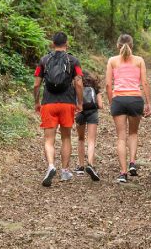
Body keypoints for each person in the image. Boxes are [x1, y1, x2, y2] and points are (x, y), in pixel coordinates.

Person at [33, 32, 83, 187]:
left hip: (48, 103)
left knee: (49, 139)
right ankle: (65, 170)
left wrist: (36, 102)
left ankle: (50, 166)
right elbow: (79, 83)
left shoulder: (44, 60)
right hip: (67, 103)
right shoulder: (73, 60)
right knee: (66, 137)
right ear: (66, 44)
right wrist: (80, 102)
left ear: (52, 44)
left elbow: (36, 84)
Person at [105, 34, 151, 183]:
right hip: (135, 100)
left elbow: (107, 85)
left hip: (119, 100)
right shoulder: (139, 60)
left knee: (121, 137)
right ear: (132, 46)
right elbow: (144, 83)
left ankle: (123, 173)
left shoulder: (112, 61)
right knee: (133, 133)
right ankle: (132, 163)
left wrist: (112, 101)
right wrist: (148, 103)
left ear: (118, 46)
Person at [74, 70, 103, 181]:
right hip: (93, 113)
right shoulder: (95, 88)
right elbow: (100, 105)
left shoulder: (76, 87)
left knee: (81, 139)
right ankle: (90, 164)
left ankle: (81, 166)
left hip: (80, 113)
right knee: (91, 140)